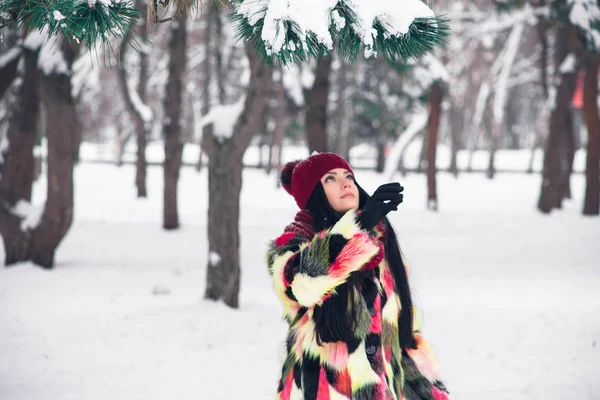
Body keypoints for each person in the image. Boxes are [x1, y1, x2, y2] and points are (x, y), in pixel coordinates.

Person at [266, 152, 450, 400]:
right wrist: (360, 228)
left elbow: (403, 338)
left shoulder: (379, 248)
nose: (346, 183)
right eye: (330, 179)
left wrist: (430, 392)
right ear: (314, 195)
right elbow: (301, 283)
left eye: (348, 176)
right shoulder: (295, 242)